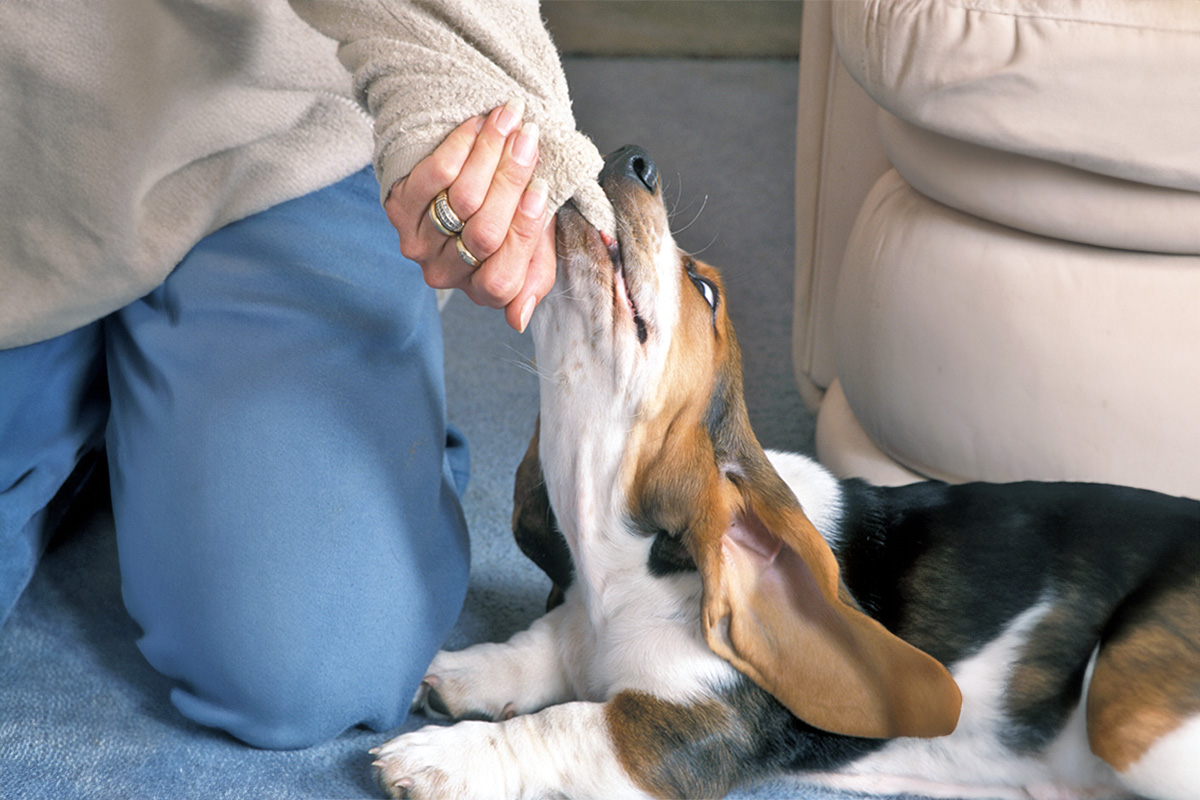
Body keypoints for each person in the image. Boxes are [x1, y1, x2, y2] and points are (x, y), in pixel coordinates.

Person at [0, 0, 572, 750]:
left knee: (314, 651)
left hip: (282, 132)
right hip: (22, 144)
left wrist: (457, 96)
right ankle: (106, 393)